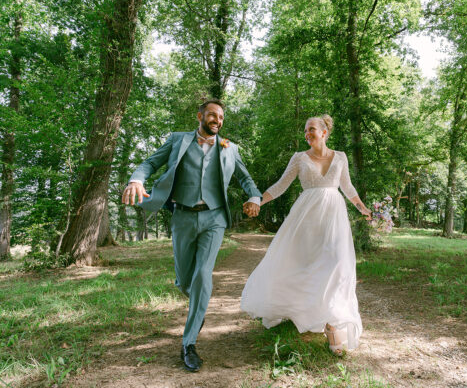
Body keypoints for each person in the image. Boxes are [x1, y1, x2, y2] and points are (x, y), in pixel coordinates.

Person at [122, 99, 262, 372]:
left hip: (214, 218)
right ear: (200, 115)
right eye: (212, 115)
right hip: (183, 216)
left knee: (202, 276)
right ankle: (200, 304)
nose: (217, 120)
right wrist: (136, 179)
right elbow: (150, 163)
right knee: (185, 280)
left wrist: (255, 196)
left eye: (221, 117)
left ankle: (189, 342)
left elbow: (246, 179)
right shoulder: (178, 140)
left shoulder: (229, 148)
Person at [240, 114, 371, 355]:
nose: (307, 133)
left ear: (324, 132)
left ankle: (332, 325)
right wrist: (257, 200)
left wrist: (361, 207)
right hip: (306, 218)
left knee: (338, 266)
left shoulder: (340, 157)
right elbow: (280, 186)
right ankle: (301, 309)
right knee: (304, 264)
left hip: (333, 217)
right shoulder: (299, 158)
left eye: (311, 129)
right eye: (305, 131)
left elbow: (347, 186)